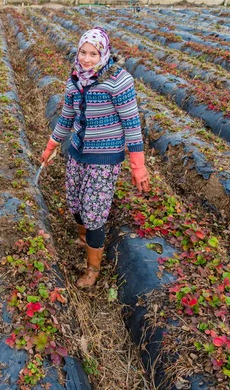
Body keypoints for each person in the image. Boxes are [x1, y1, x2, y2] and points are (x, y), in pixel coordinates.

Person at [40, 27, 150, 288]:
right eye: (83, 52)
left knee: (94, 212)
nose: (87, 59)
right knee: (75, 202)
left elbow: (132, 124)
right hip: (78, 151)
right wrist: (51, 146)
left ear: (104, 54)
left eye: (93, 53)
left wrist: (138, 165)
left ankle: (93, 268)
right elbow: (67, 117)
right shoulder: (75, 80)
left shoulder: (119, 82)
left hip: (105, 157)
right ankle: (83, 238)